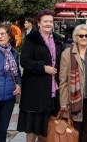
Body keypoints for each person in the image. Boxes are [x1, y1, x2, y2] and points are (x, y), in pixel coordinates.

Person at [17, 9, 63, 142]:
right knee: (32, 126)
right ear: (39, 23)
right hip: (35, 90)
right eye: (45, 21)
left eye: (50, 21)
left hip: (52, 91)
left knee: (48, 126)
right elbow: (24, 61)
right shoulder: (32, 38)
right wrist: (43, 68)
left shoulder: (57, 39)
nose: (48, 24)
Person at [59, 24, 87, 142]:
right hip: (74, 100)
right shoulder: (67, 54)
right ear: (75, 37)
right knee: (74, 133)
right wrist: (63, 101)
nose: (84, 38)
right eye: (81, 36)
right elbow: (63, 80)